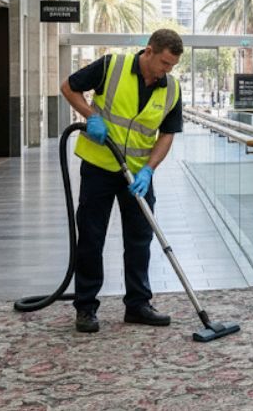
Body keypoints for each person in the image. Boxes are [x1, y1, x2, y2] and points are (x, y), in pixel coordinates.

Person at [60, 29, 184, 333]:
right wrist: (91, 116)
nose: (167, 70)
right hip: (100, 166)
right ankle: (86, 308)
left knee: (140, 239)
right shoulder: (111, 66)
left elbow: (167, 134)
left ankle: (138, 304)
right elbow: (68, 87)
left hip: (137, 176)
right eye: (164, 63)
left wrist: (149, 170)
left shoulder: (171, 89)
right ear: (149, 51)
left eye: (172, 66)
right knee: (91, 237)